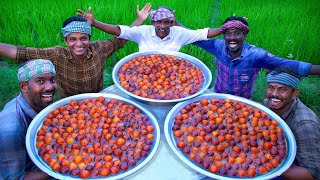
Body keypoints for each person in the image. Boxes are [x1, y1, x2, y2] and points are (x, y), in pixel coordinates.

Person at [0, 3, 151, 98]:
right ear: (66, 41)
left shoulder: (99, 49)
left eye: (83, 38)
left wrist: (139, 20)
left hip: (96, 97)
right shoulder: (57, 54)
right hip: (68, 102)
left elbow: (122, 38)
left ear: (89, 38)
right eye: (72, 39)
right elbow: (18, 52)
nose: (79, 44)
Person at [191, 16, 320, 99]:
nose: (232, 38)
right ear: (223, 36)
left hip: (243, 101)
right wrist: (173, 23)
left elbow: (289, 65)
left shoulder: (256, 55)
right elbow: (192, 37)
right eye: (228, 34)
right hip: (217, 93)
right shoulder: (217, 46)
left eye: (237, 34)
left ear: (244, 35)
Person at [0, 59, 56, 180]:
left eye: (52, 80)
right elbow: (14, 178)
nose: (50, 87)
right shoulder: (11, 129)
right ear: (24, 86)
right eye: (40, 81)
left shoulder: (38, 101)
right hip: (30, 169)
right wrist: (58, 167)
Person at [77, 5, 222, 52]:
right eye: (159, 22)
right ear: (153, 22)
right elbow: (119, 31)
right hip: (144, 74)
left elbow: (204, 33)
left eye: (167, 22)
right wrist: (95, 22)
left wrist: (224, 28)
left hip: (171, 75)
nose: (163, 26)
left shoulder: (180, 33)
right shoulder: (143, 31)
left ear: (173, 22)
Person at [262, 68, 320, 180]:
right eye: (271, 88)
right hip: (269, 151)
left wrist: (270, 163)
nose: (274, 94)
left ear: (294, 93)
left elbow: (311, 173)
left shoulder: (305, 124)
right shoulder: (267, 103)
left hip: (289, 166)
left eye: (282, 90)